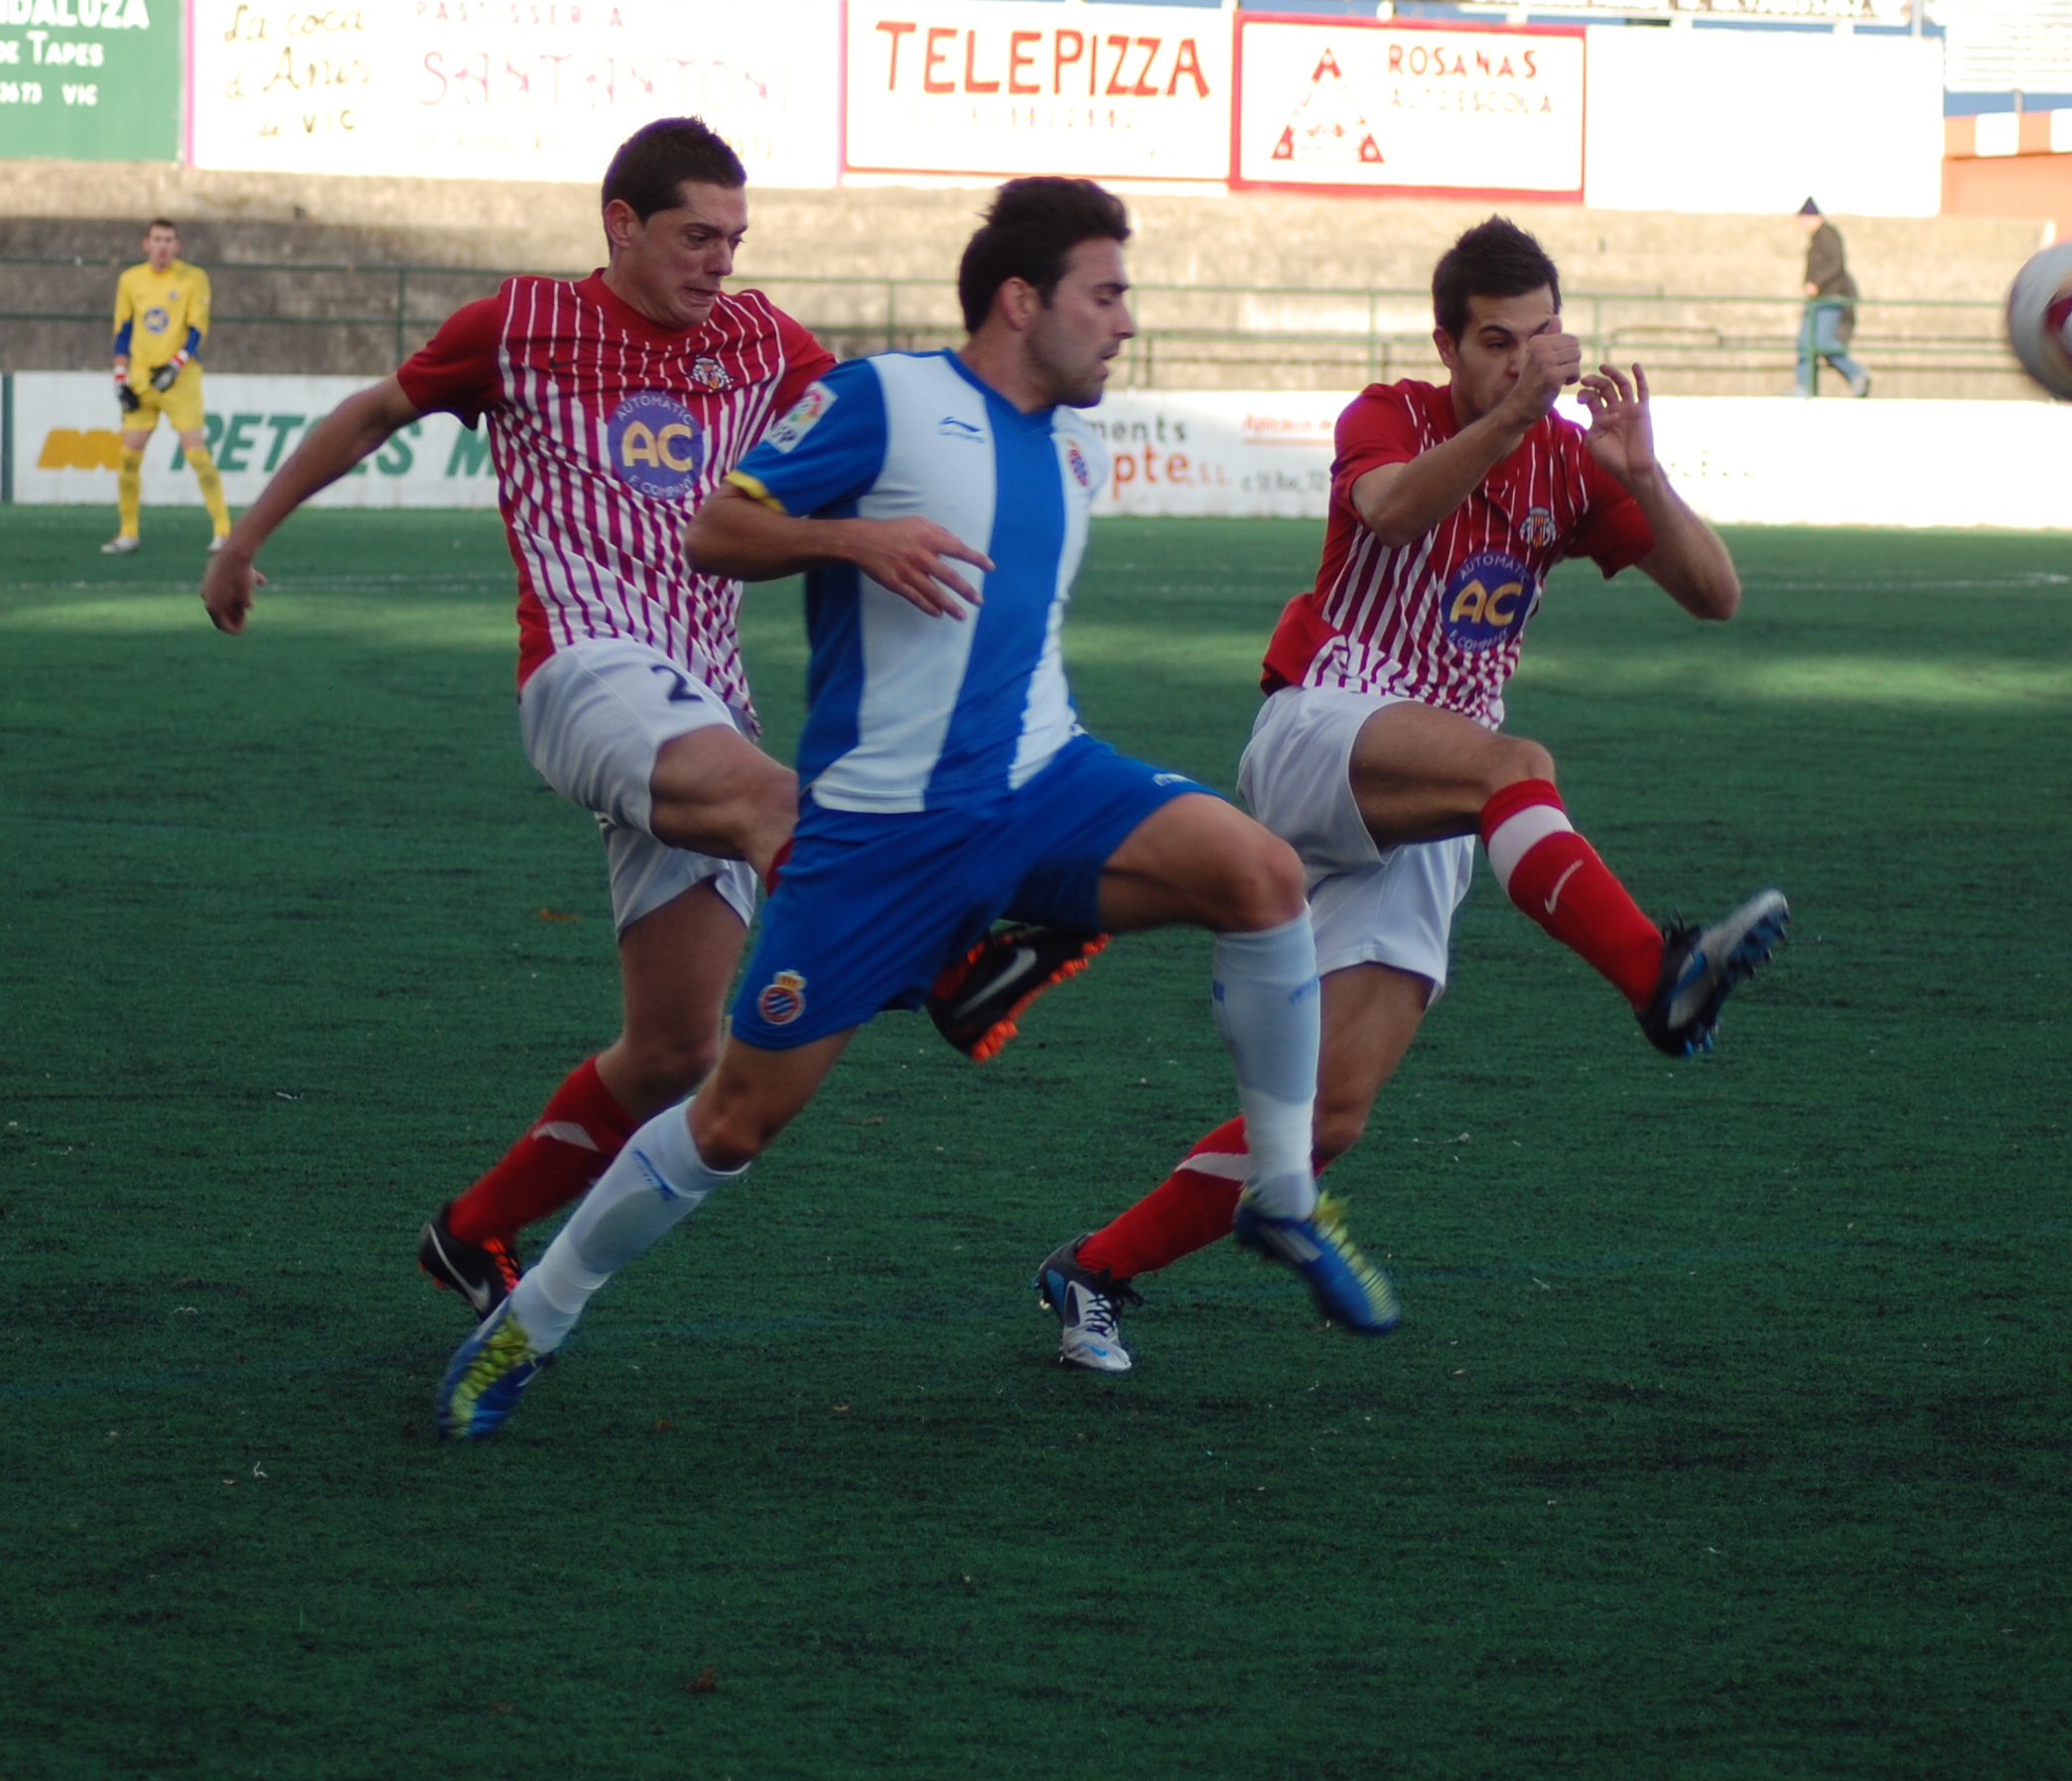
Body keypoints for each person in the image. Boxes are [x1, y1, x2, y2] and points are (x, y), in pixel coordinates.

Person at [435, 177, 1400, 1439]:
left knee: (1259, 875)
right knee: (731, 1118)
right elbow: (719, 530)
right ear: (1021, 299)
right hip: (875, 840)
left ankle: (1278, 1192)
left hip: (1046, 787)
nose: (1123, 323)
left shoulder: (1074, 445)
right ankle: (537, 1314)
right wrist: (850, 543)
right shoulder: (885, 399)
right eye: (1104, 295)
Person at [201, 119, 1084, 1327]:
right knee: (782, 804)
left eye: (734, 239)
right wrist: (244, 541)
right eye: (694, 236)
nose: (718, 261)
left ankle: (471, 1233)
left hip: (701, 699)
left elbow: (878, 417)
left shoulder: (757, 336)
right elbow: (371, 414)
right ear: (620, 224)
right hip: (584, 672)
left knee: (674, 1050)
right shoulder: (516, 327)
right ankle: (947, 962)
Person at [1032, 216, 1788, 1374]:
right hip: (1322, 729)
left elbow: (1716, 596)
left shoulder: (1571, 463)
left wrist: (1642, 474)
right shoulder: (1389, 413)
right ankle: (1655, 975)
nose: (1527, 361)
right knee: (1517, 767)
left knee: (1326, 1119)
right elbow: (1390, 512)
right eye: (1496, 342)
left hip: (1429, 810)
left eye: (1542, 336)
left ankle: (1092, 1272)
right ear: (1447, 344)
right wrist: (1509, 417)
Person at [104, 218, 230, 554]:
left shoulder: (193, 278)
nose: (163, 246)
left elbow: (196, 330)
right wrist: (120, 380)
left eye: (169, 240)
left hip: (181, 379)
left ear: (178, 246)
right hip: (142, 378)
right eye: (157, 239)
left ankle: (224, 532)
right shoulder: (130, 280)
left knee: (197, 455)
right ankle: (128, 533)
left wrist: (174, 366)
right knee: (128, 458)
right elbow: (123, 330)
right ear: (146, 244)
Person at [1792, 199, 1868, 400]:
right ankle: (1804, 385)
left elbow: (1835, 263)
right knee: (1805, 342)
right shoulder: (1819, 237)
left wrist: (1816, 283)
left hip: (1831, 296)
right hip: (1821, 299)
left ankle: (1855, 373)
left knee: (1820, 342)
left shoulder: (1827, 235)